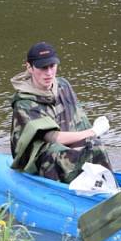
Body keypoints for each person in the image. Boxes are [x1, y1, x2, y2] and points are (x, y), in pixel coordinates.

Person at [10, 41, 112, 183]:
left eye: (52, 66)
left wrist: (91, 139)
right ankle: (64, 191)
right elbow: (52, 137)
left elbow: (79, 121)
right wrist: (93, 131)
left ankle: (107, 186)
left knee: (96, 146)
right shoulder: (24, 102)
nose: (49, 73)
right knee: (57, 151)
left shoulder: (63, 85)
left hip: (63, 144)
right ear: (30, 67)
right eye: (43, 67)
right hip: (38, 156)